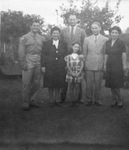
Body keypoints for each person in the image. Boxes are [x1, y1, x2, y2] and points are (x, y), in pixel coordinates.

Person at [18, 20, 45, 110]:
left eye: (37, 26)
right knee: (26, 83)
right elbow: (21, 52)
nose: (35, 27)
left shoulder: (42, 38)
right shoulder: (24, 38)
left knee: (37, 83)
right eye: (34, 25)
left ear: (39, 27)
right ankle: (25, 103)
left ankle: (32, 100)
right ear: (31, 26)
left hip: (38, 61)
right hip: (28, 60)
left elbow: (44, 52)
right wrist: (23, 64)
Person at [60, 13, 86, 104]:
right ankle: (62, 98)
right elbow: (61, 44)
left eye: (73, 19)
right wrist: (63, 55)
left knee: (78, 77)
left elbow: (84, 44)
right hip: (67, 56)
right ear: (68, 20)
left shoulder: (81, 31)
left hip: (78, 57)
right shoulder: (63, 31)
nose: (72, 21)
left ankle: (79, 98)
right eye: (70, 19)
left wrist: (82, 55)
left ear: (77, 20)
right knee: (66, 77)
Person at [83, 21, 108, 106]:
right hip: (89, 63)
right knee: (89, 83)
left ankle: (97, 99)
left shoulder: (105, 39)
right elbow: (84, 52)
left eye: (96, 28)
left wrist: (104, 64)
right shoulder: (87, 39)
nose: (94, 30)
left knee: (98, 83)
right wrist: (84, 63)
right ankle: (89, 99)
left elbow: (106, 53)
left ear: (100, 28)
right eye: (93, 28)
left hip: (99, 63)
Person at [41, 26, 67, 108]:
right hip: (50, 66)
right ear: (51, 34)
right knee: (50, 83)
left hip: (60, 66)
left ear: (59, 34)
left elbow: (66, 55)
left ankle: (57, 100)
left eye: (57, 33)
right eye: (54, 33)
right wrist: (43, 66)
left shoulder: (63, 43)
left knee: (58, 83)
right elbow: (43, 55)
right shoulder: (46, 43)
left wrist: (66, 65)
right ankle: (51, 100)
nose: (56, 35)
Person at [104, 26, 128, 108]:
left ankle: (120, 100)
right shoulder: (107, 42)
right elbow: (106, 54)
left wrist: (124, 65)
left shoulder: (121, 43)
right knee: (111, 84)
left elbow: (124, 55)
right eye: (112, 32)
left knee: (117, 85)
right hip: (109, 65)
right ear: (110, 33)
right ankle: (114, 100)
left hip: (118, 66)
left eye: (116, 33)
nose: (114, 34)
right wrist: (104, 64)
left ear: (119, 34)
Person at [65, 42, 84, 107]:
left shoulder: (80, 56)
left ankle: (75, 101)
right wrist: (72, 73)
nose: (76, 48)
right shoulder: (69, 56)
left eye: (78, 47)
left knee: (77, 87)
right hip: (70, 73)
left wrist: (78, 73)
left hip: (78, 73)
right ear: (72, 47)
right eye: (75, 46)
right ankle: (71, 100)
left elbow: (82, 65)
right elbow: (67, 65)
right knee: (71, 87)